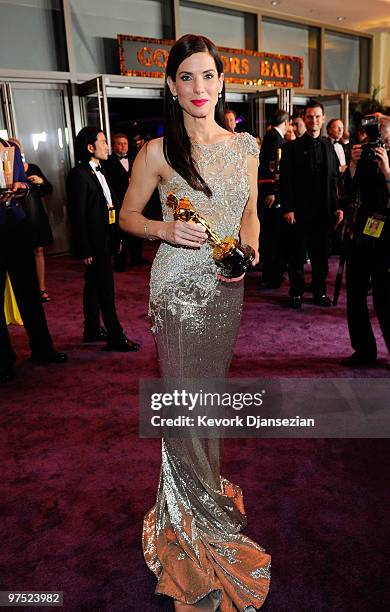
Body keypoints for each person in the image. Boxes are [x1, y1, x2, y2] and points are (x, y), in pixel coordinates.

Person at [119, 34, 270, 611]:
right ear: (171, 85)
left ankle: (202, 500)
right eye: (187, 77)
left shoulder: (245, 147)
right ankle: (193, 533)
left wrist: (250, 251)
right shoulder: (158, 151)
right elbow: (128, 216)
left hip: (226, 293)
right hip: (177, 291)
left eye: (207, 76)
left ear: (222, 79)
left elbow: (250, 215)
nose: (199, 88)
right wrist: (162, 230)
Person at [66, 127, 140, 352]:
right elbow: (77, 216)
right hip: (94, 241)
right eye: (103, 141)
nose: (108, 146)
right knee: (105, 288)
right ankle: (115, 335)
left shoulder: (101, 169)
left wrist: (117, 235)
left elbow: (111, 205)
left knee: (93, 285)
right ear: (90, 147)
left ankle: (91, 328)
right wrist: (85, 249)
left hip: (106, 236)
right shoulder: (78, 174)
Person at [0, 138, 67, 383]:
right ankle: (3, 360)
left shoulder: (11, 148)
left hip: (16, 226)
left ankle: (42, 348)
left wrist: (22, 187)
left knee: (29, 294)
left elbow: (27, 185)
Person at [280, 100, 343, 308]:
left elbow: (334, 179)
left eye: (317, 116)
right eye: (309, 116)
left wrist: (338, 206)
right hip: (299, 211)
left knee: (321, 256)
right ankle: (296, 293)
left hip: (323, 211)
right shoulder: (291, 148)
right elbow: (285, 180)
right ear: (304, 119)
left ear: (323, 119)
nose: (313, 120)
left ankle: (319, 292)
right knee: (297, 255)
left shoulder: (329, 147)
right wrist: (288, 208)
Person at [341, 115, 390, 367]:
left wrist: (388, 172)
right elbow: (349, 192)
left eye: (382, 134)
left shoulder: (386, 160)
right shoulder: (364, 157)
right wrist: (351, 166)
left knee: (384, 298)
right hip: (361, 234)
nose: (377, 140)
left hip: (386, 240)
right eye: (374, 134)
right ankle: (364, 350)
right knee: (356, 295)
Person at [9, 138, 54, 302]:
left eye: (19, 150)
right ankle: (25, 291)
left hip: (36, 216)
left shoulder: (33, 167)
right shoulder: (7, 172)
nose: (18, 153)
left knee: (38, 250)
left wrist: (41, 181)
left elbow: (49, 189)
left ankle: (42, 289)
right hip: (18, 218)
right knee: (21, 254)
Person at [104, 133, 147, 270]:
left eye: (125, 143)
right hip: (118, 202)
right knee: (120, 233)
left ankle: (137, 258)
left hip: (136, 200)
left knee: (137, 229)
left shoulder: (136, 158)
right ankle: (120, 262)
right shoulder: (107, 162)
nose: (123, 146)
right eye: (119, 143)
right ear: (113, 146)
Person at [258, 109, 289, 288]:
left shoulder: (272, 136)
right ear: (285, 123)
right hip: (271, 193)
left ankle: (273, 273)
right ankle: (271, 275)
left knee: (273, 236)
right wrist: (272, 191)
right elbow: (273, 167)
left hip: (271, 191)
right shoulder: (275, 138)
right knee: (272, 236)